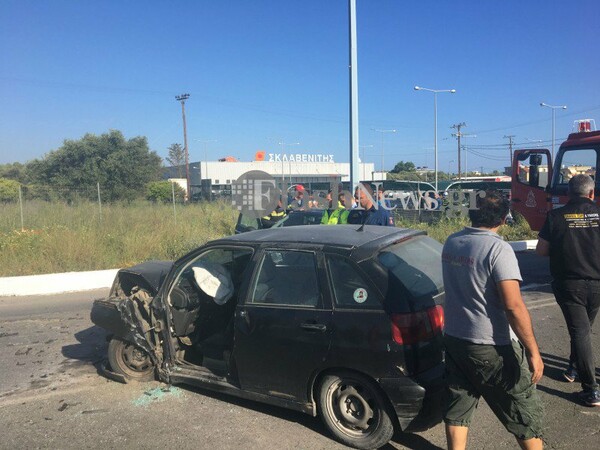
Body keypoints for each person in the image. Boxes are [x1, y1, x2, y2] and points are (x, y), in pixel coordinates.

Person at [442, 190, 544, 450]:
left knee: (459, 403)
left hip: (454, 338)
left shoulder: (452, 242)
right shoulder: (498, 248)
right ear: (504, 217)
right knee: (521, 409)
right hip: (490, 345)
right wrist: (533, 351)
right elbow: (513, 306)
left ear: (473, 214)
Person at [536, 174, 600, 407]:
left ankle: (591, 390)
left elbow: (541, 251)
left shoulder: (555, 216)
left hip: (569, 284)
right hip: (597, 284)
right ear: (591, 193)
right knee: (583, 329)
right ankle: (573, 368)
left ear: (568, 193)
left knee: (580, 331)